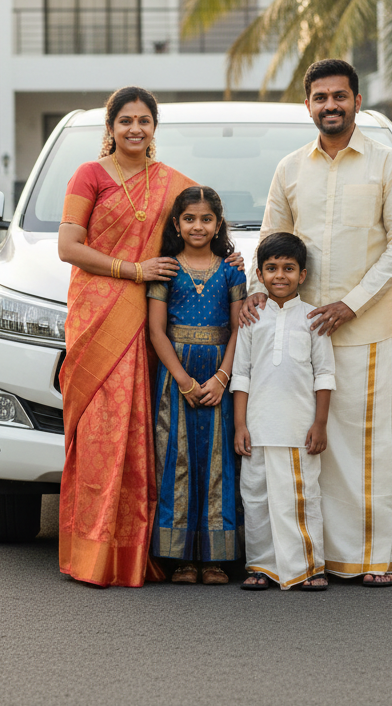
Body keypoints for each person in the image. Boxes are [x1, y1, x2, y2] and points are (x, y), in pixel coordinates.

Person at [239, 60, 392, 587]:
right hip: (299, 334)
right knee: (304, 445)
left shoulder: (387, 165)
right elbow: (273, 241)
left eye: (340, 96)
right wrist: (256, 300)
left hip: (364, 329)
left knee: (367, 446)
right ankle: (306, 558)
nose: (331, 106)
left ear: (357, 101)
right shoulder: (290, 168)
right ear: (309, 105)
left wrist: (352, 304)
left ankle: (372, 558)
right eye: (321, 98)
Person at [56, 86, 242, 588]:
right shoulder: (89, 175)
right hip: (99, 315)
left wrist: (234, 258)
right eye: (125, 121)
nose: (135, 129)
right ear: (110, 127)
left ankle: (147, 550)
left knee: (147, 432)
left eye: (144, 121)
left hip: (153, 323)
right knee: (101, 432)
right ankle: (96, 551)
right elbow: (68, 246)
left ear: (154, 127)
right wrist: (133, 269)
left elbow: (203, 225)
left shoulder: (172, 184)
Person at [146, 186, 246, 585]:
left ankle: (216, 559)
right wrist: (184, 381)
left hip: (220, 373)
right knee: (177, 458)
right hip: (177, 376)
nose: (198, 226)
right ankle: (182, 559)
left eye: (206, 219)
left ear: (218, 224)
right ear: (177, 223)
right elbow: (156, 331)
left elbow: (241, 329)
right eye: (190, 218)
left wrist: (223, 377)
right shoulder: (167, 269)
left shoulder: (232, 270)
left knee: (219, 459)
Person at [232, 232, 335, 591]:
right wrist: (240, 425)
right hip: (258, 429)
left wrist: (320, 424)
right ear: (259, 274)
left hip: (298, 429)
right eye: (272, 268)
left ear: (302, 275)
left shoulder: (313, 319)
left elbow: (324, 374)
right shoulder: (252, 318)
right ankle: (262, 567)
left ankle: (310, 566)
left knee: (302, 497)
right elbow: (241, 374)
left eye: (288, 268)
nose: (280, 275)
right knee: (256, 497)